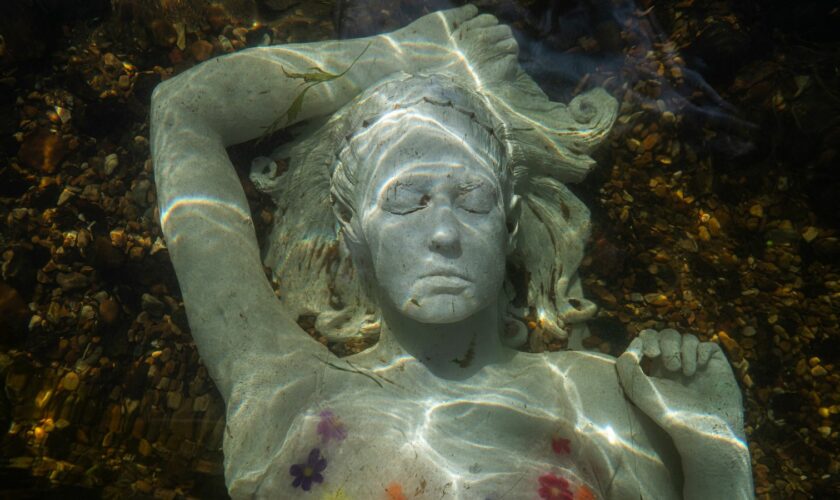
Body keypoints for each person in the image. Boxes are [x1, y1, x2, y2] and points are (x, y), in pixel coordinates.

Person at [150, 5, 752, 499]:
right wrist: (394, 54)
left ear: (510, 223)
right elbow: (184, 113)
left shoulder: (604, 399)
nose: (444, 233)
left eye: (472, 199)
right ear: (352, 229)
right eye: (407, 201)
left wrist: (715, 447)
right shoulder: (285, 387)